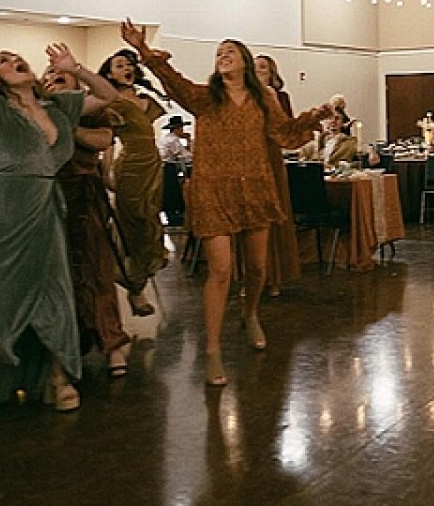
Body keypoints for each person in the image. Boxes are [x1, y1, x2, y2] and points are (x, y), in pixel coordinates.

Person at [0, 0, 118, 436]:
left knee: (52, 293)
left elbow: (109, 95)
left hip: (42, 210)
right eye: (5, 61)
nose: (16, 60)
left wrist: (76, 68)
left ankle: (56, 376)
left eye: (17, 57)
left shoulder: (61, 107)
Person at [119, 21, 330, 387]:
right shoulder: (204, 98)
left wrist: (316, 116)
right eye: (218, 53)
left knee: (258, 267)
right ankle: (213, 351)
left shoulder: (264, 97)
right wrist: (143, 50)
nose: (222, 56)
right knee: (220, 271)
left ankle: (250, 313)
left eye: (229, 51)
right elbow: (172, 80)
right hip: (214, 191)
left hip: (256, 189)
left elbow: (284, 133)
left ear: (245, 62)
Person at [41, 67, 131, 380]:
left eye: (61, 78)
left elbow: (103, 140)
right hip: (49, 196)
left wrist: (68, 126)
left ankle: (113, 344)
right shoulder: (39, 111)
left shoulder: (87, 110)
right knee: (58, 275)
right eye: (49, 79)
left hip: (85, 193)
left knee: (98, 270)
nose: (54, 82)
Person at [99, 49, 168, 318]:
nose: (126, 68)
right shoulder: (111, 102)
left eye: (129, 65)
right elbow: (108, 139)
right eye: (119, 65)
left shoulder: (144, 99)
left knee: (150, 221)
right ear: (109, 74)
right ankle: (135, 287)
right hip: (130, 167)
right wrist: (106, 173)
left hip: (153, 166)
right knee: (133, 224)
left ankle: (138, 282)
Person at [253, 55, 300, 297]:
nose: (257, 71)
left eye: (263, 68)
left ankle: (275, 278)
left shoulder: (279, 97)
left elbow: (287, 130)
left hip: (271, 158)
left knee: (274, 217)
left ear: (272, 74)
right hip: (249, 159)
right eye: (254, 68)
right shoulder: (242, 96)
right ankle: (250, 279)